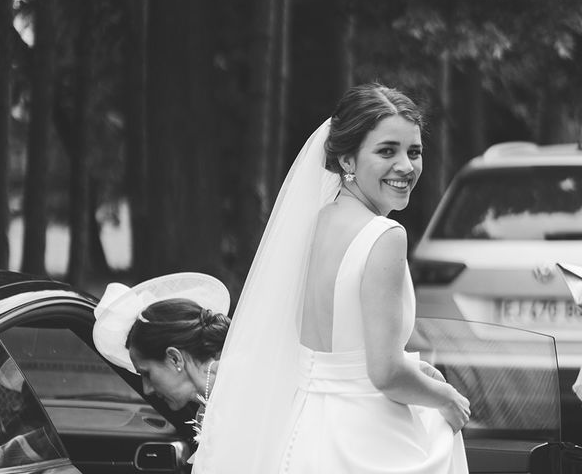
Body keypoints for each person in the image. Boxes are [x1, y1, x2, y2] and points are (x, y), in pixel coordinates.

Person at [194, 83, 469, 473]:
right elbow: (385, 373)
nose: (406, 166)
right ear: (347, 160)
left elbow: (342, 354)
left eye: (414, 151)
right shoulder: (385, 236)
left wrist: (414, 370)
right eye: (386, 151)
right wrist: (444, 398)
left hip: (308, 432)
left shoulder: (318, 222)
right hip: (368, 441)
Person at [92, 273, 230, 449]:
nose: (146, 389)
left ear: (174, 359)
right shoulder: (207, 410)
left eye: (147, 374)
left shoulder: (240, 395)